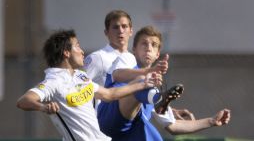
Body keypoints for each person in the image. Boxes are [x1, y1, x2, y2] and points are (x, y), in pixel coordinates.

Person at [16, 29, 163, 141]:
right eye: (77, 46)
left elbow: (109, 95)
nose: (82, 51)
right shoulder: (53, 81)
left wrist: (143, 84)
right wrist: (43, 107)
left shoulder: (81, 76)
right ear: (66, 52)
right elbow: (23, 101)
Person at [107, 25, 231, 137]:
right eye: (144, 43)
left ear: (157, 54)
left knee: (149, 129)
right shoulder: (124, 62)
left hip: (127, 133)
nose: (149, 48)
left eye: (153, 45)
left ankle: (159, 101)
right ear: (134, 49)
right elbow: (116, 78)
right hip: (108, 123)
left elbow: (173, 126)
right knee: (142, 82)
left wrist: (211, 121)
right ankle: (158, 99)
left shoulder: (153, 84)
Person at [84, 9, 193, 118]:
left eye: (124, 26)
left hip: (123, 125)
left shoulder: (132, 59)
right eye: (115, 27)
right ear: (106, 33)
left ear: (131, 31)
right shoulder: (97, 58)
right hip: (100, 123)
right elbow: (77, 87)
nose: (120, 31)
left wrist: (169, 111)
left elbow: (134, 94)